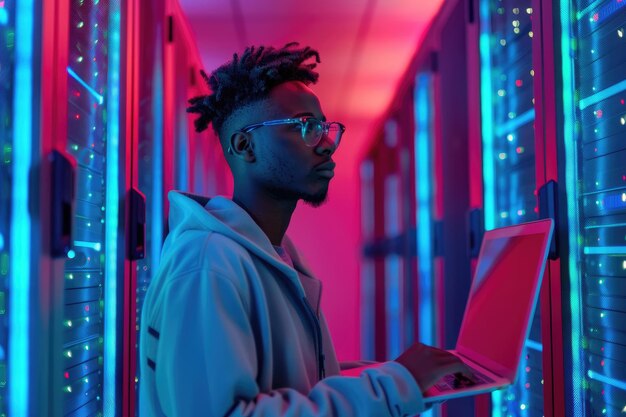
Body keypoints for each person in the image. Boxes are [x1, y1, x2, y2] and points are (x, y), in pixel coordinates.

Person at [139, 42, 469, 417]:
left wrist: (402, 378)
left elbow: (293, 387)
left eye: (326, 128)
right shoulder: (208, 264)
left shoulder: (270, 254)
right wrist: (394, 386)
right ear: (245, 145)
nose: (327, 145)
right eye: (305, 127)